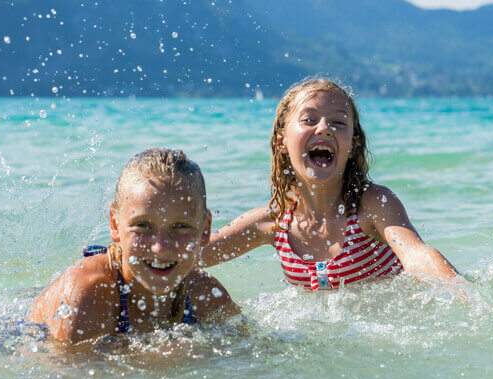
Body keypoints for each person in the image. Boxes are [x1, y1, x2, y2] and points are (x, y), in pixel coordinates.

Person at [200, 78, 462, 290]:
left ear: (353, 144)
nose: (324, 128)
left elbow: (416, 255)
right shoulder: (272, 223)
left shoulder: (371, 205)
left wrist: (463, 293)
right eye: (308, 120)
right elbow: (188, 257)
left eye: (338, 122)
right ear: (281, 141)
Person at [28, 148, 239, 356]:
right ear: (115, 225)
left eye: (180, 227)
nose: (160, 247)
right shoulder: (87, 296)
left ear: (205, 228)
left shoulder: (204, 294)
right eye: (143, 226)